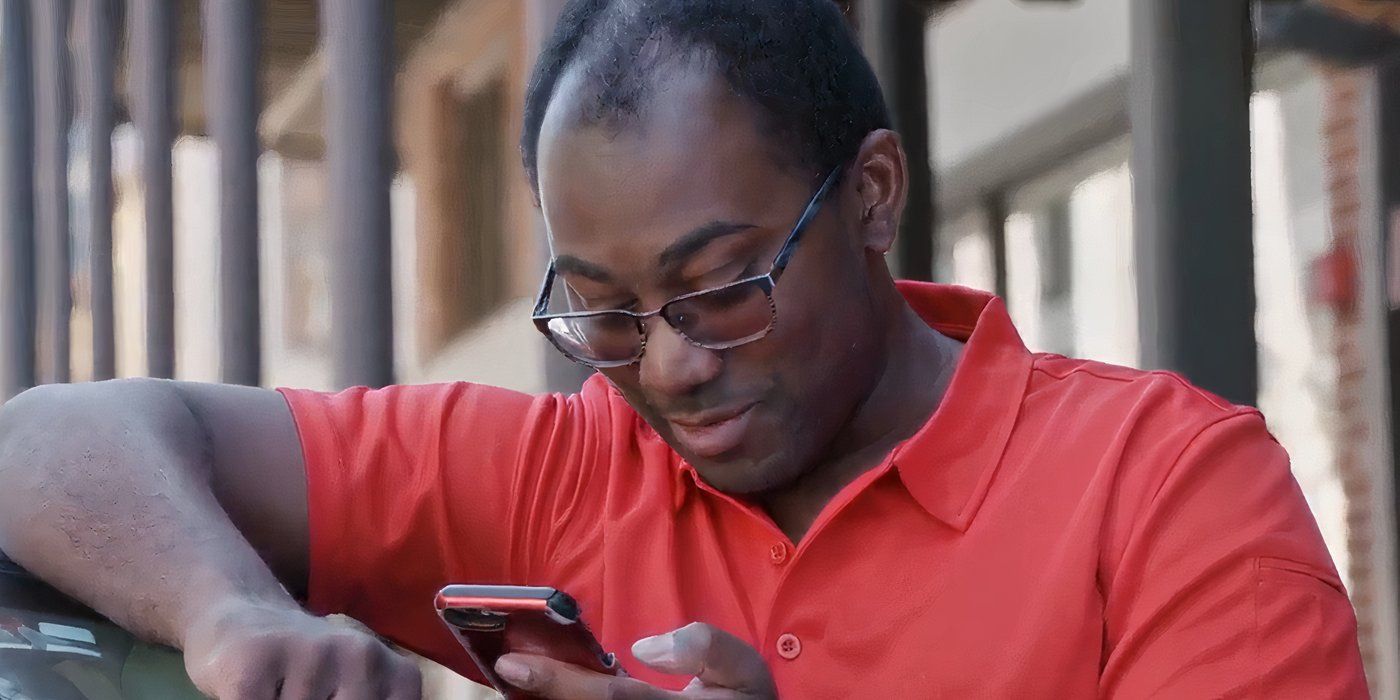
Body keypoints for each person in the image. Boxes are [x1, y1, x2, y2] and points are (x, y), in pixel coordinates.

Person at [0, 0, 1370, 697]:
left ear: (876, 194)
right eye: (600, 309)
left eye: (719, 289)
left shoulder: (1172, 491)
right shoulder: (560, 468)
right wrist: (225, 610)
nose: (667, 365)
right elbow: (47, 443)